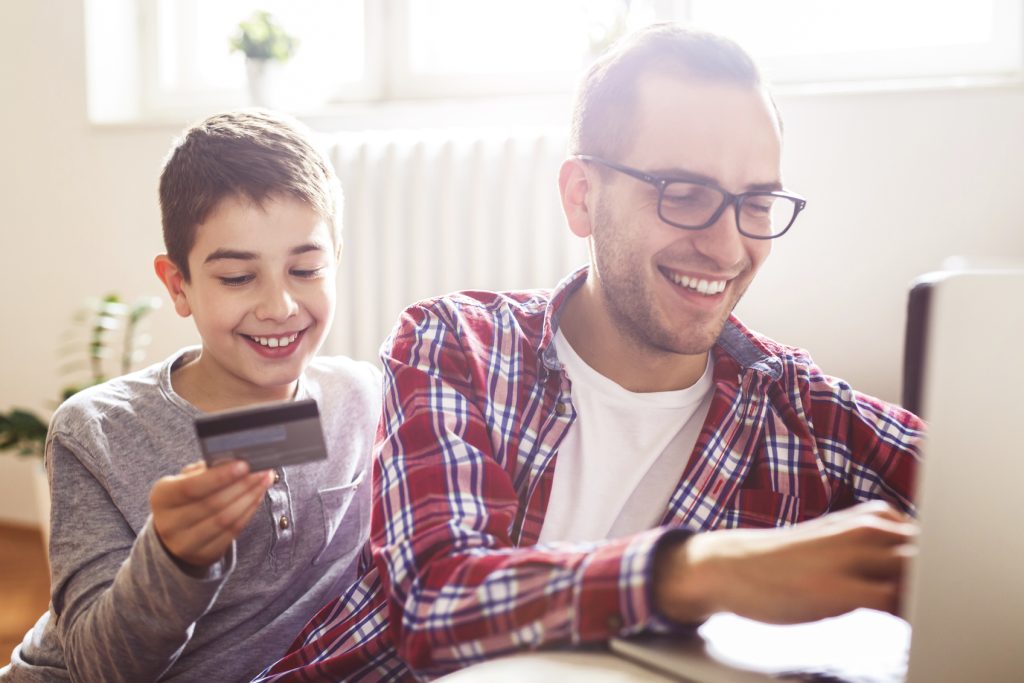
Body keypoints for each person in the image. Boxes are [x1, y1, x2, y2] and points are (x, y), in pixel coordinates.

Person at [256, 24, 922, 682]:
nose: (727, 248)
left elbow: (984, 502)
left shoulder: (804, 417)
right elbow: (438, 599)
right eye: (684, 194)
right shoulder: (454, 343)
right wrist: (706, 571)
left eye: (755, 202)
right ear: (582, 196)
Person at [1, 110, 381, 682]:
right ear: (178, 286)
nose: (279, 305)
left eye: (305, 268)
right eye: (237, 278)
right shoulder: (96, 431)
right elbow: (101, 667)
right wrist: (174, 557)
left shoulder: (362, 398)